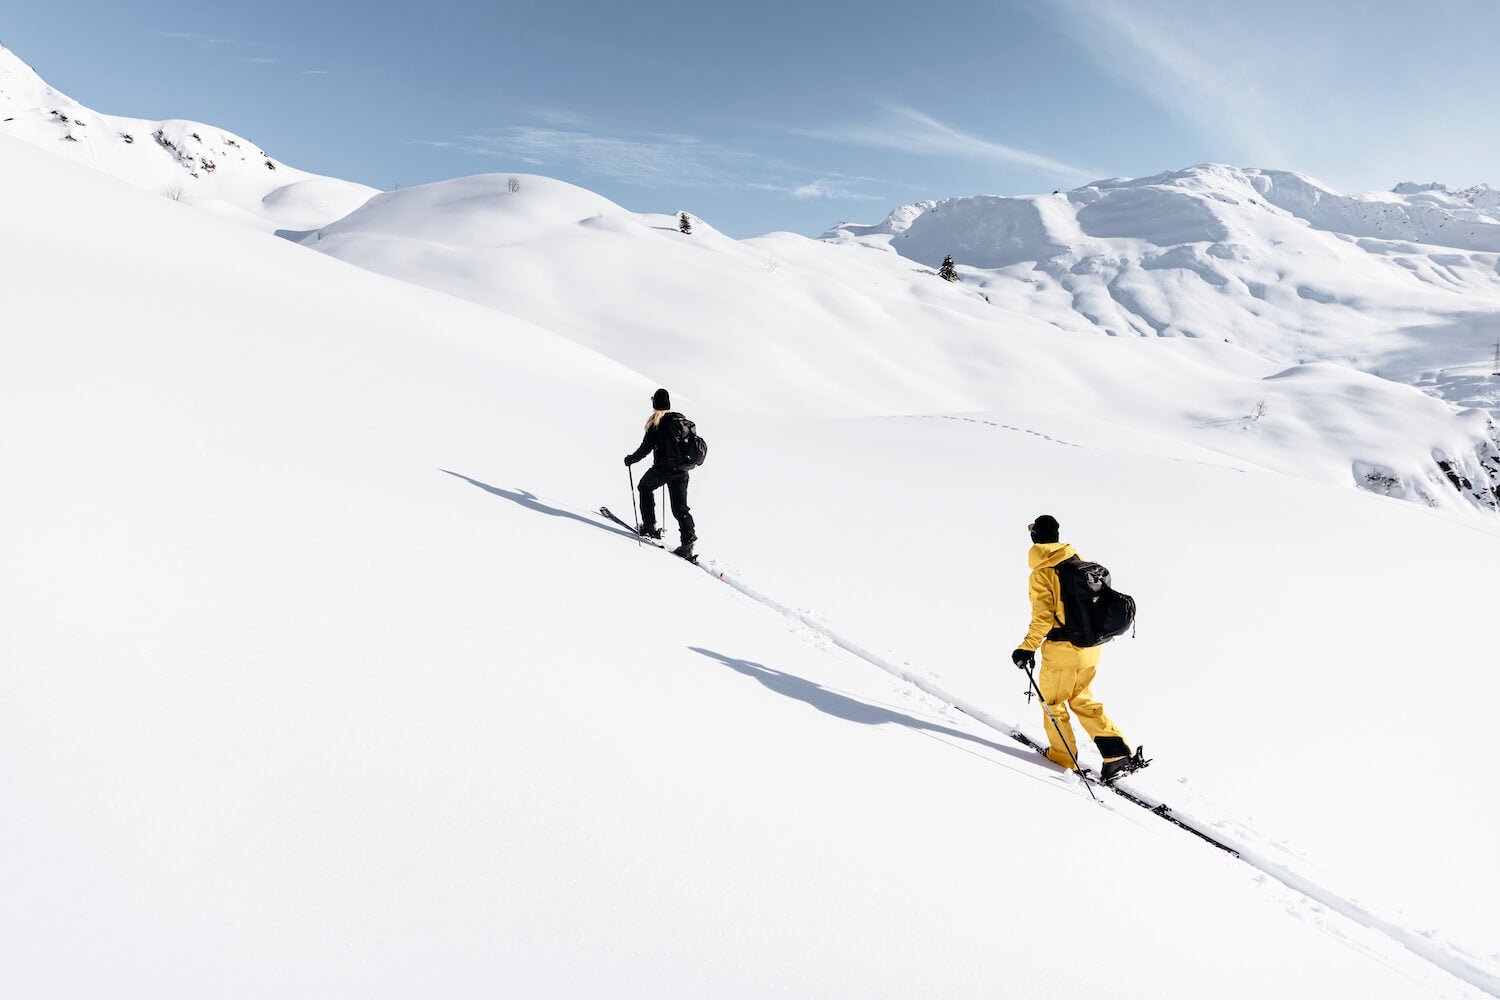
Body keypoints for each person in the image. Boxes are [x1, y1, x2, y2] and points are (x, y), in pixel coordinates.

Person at [1010, 514, 1145, 782]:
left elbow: (1043, 618)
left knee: (1054, 703)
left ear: (1036, 538)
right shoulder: (1080, 565)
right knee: (1084, 701)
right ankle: (1117, 754)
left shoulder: (1043, 574)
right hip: (1091, 648)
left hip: (1062, 650)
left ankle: (1062, 756)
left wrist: (1027, 648)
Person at [624, 388, 698, 560]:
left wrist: (630, 459)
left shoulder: (656, 424)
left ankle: (649, 527)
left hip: (663, 470)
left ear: (655, 404)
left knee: (644, 487)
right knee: (680, 508)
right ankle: (688, 544)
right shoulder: (680, 420)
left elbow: (645, 449)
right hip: (682, 470)